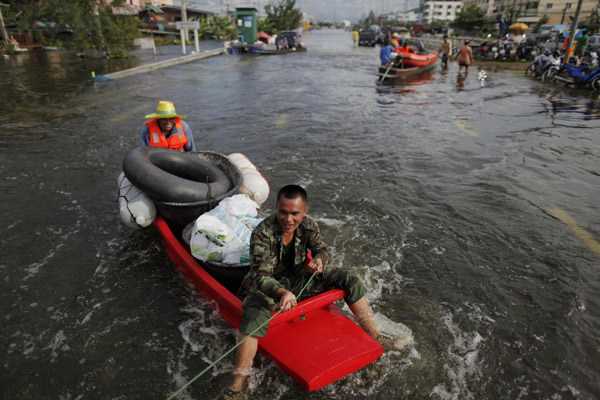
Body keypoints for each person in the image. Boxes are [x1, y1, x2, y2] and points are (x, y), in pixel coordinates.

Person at [219, 185, 388, 399]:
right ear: (276, 208)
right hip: (266, 288)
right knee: (252, 318)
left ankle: (375, 335)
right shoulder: (262, 233)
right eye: (283, 212)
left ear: (304, 211)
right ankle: (237, 386)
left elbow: (322, 250)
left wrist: (319, 260)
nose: (288, 219)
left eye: (294, 213)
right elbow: (260, 277)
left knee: (349, 278)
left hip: (298, 281)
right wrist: (282, 293)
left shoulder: (309, 226)